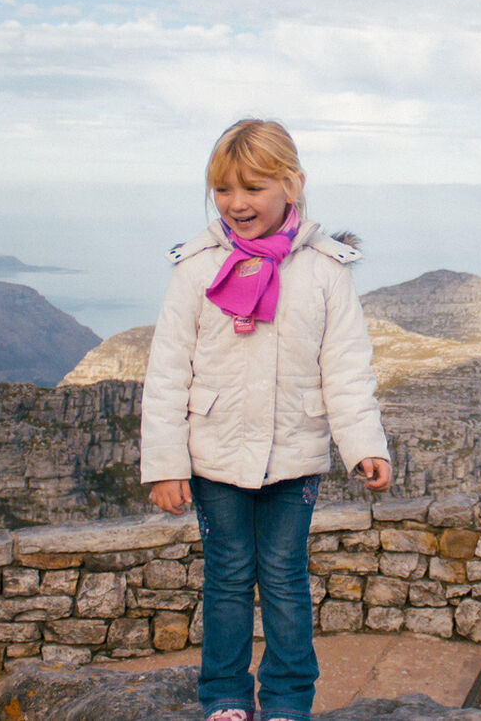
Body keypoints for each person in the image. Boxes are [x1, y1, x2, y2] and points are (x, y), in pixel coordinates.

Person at [141, 118, 393, 721]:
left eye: (252, 188)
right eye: (223, 190)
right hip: (215, 455)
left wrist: (365, 445)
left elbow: (347, 368)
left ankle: (286, 702)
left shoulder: (327, 272)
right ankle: (226, 699)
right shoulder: (197, 268)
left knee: (284, 578)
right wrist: (164, 465)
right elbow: (168, 372)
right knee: (227, 577)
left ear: (292, 184)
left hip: (294, 455)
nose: (236, 204)